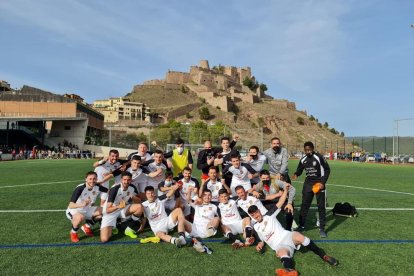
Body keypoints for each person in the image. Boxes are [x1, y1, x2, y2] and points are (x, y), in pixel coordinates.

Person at [248, 200, 338, 276]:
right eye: (253, 215)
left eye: (256, 213)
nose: (255, 216)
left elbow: (280, 202)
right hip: (278, 245)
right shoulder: (255, 227)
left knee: (299, 236)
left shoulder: (269, 215)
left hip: (287, 236)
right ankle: (289, 270)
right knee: (282, 252)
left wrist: (286, 190)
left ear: (259, 211)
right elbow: (261, 240)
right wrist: (260, 244)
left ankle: (324, 256)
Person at [292, 141, 331, 238]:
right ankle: (302, 225)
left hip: (319, 184)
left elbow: (327, 169)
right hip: (308, 184)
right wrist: (296, 174)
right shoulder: (303, 159)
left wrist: (322, 182)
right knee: (304, 205)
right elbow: (300, 169)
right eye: (306, 150)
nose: (308, 151)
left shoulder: (319, 157)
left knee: (321, 206)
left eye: (309, 150)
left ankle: (322, 228)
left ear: (313, 149)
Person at [100, 171, 144, 243]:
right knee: (104, 239)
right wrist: (118, 206)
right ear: (121, 180)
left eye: (128, 180)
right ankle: (116, 224)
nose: (126, 182)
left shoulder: (132, 187)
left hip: (122, 209)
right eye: (124, 179)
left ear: (131, 180)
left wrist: (132, 196)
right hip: (111, 211)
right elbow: (108, 210)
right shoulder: (115, 189)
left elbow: (139, 201)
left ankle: (129, 228)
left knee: (139, 207)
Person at [66, 171, 108, 243]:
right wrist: (82, 204)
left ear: (96, 179)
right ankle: (73, 232)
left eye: (94, 179)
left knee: (104, 211)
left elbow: (109, 191)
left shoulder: (97, 186)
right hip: (74, 211)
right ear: (86, 179)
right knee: (80, 218)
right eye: (90, 179)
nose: (92, 181)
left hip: (86, 209)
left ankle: (86, 226)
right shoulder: (80, 188)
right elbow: (71, 205)